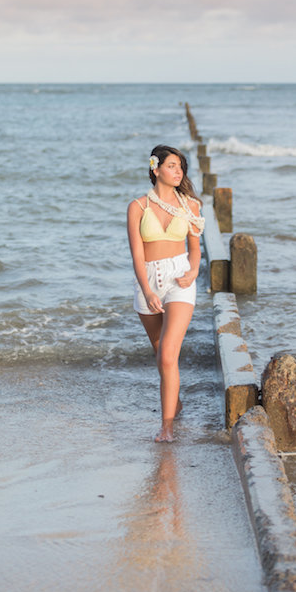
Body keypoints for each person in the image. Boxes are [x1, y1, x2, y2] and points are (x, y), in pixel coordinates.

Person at [127, 144, 205, 443]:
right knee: (161, 355)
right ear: (155, 168)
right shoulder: (137, 207)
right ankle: (176, 401)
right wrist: (147, 291)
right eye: (172, 166)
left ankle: (167, 428)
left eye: (181, 167)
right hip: (147, 281)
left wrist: (192, 273)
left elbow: (195, 251)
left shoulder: (190, 206)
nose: (178, 172)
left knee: (169, 355)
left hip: (179, 280)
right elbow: (136, 255)